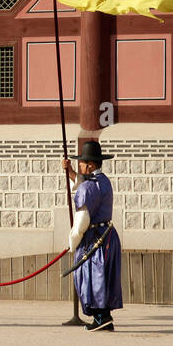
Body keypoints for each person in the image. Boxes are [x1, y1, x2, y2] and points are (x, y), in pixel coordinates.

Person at [63, 140, 122, 331]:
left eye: (82, 162)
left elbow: (82, 220)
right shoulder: (103, 181)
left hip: (94, 239)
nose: (80, 165)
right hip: (108, 236)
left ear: (90, 164)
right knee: (104, 276)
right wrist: (71, 172)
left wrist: (73, 241)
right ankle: (104, 316)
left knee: (92, 277)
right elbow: (85, 184)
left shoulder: (88, 187)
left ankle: (101, 317)